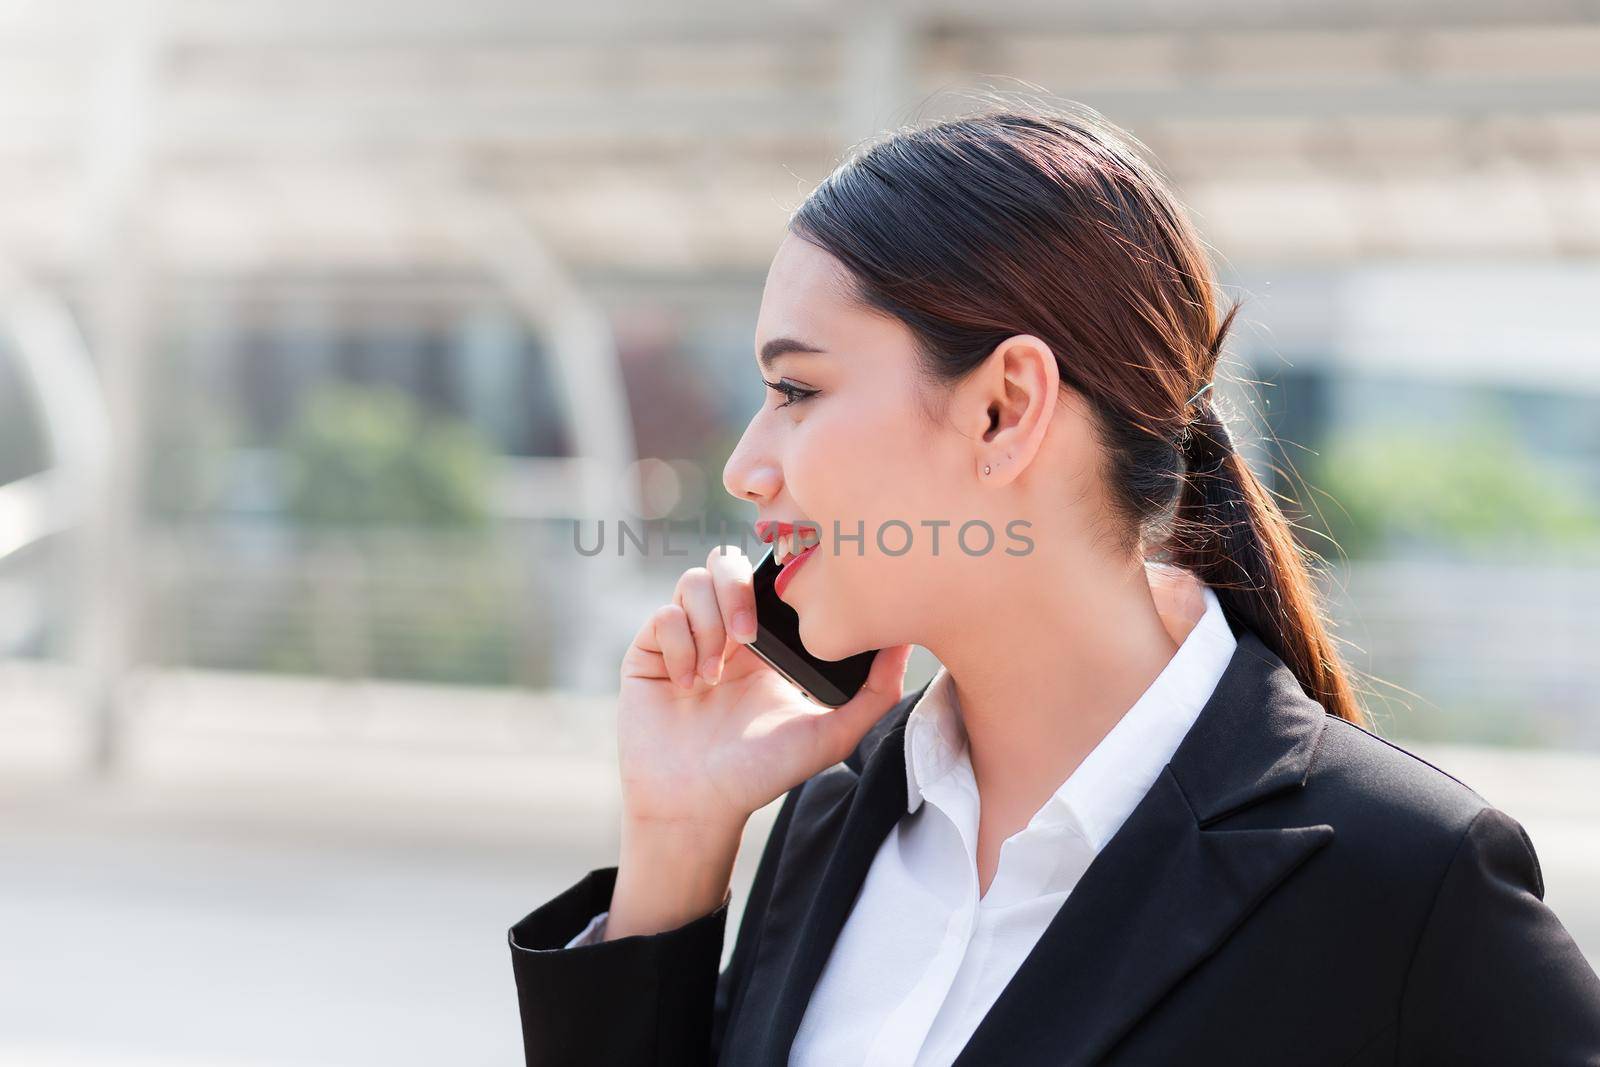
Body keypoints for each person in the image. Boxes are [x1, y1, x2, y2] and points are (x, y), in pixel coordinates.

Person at [506, 102, 1600, 1065]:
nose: (746, 463)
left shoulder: (1401, 880)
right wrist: (676, 835)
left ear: (1004, 407)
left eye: (796, 388)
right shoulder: (833, 820)